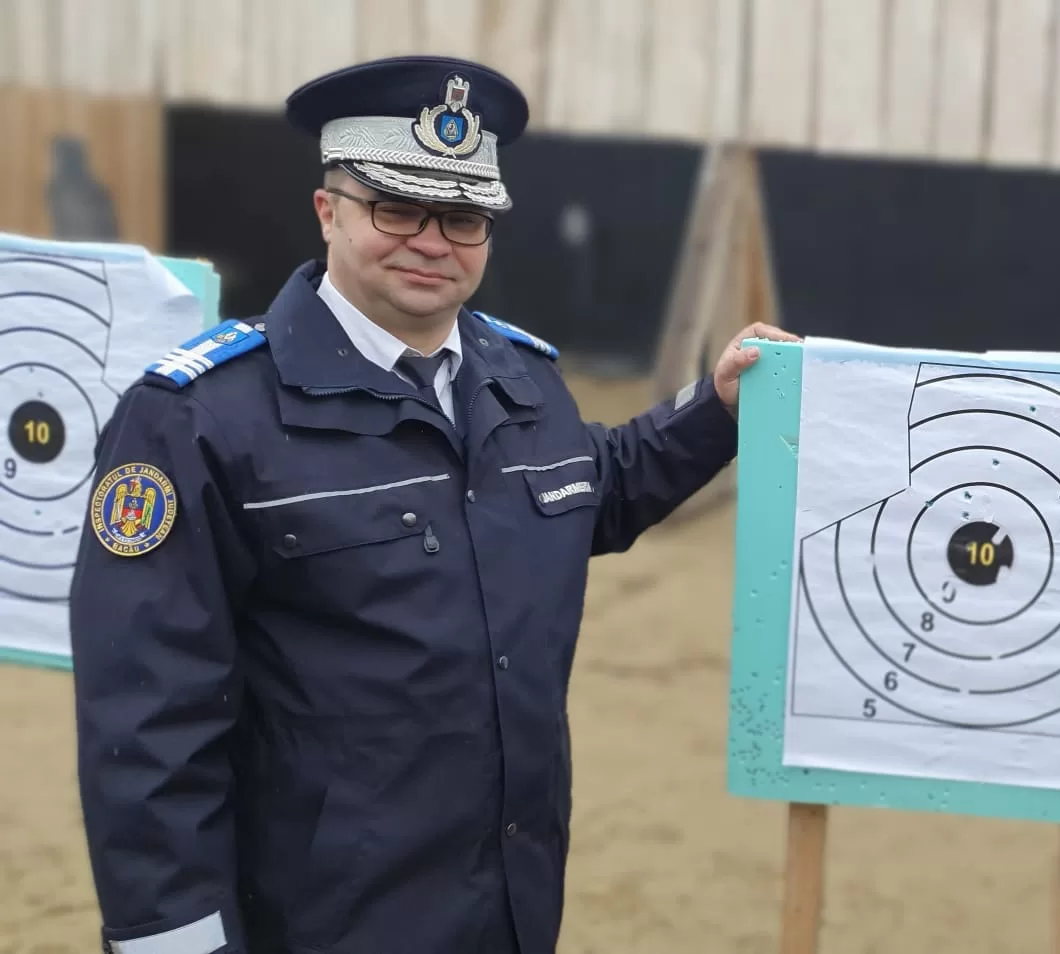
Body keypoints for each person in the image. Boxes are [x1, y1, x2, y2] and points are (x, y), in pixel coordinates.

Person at [67, 55, 797, 954]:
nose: (431, 240)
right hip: (316, 923)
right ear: (327, 210)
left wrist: (713, 410)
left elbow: (589, 488)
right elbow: (147, 724)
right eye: (396, 208)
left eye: (462, 217)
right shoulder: (198, 419)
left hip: (508, 903)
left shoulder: (518, 378)